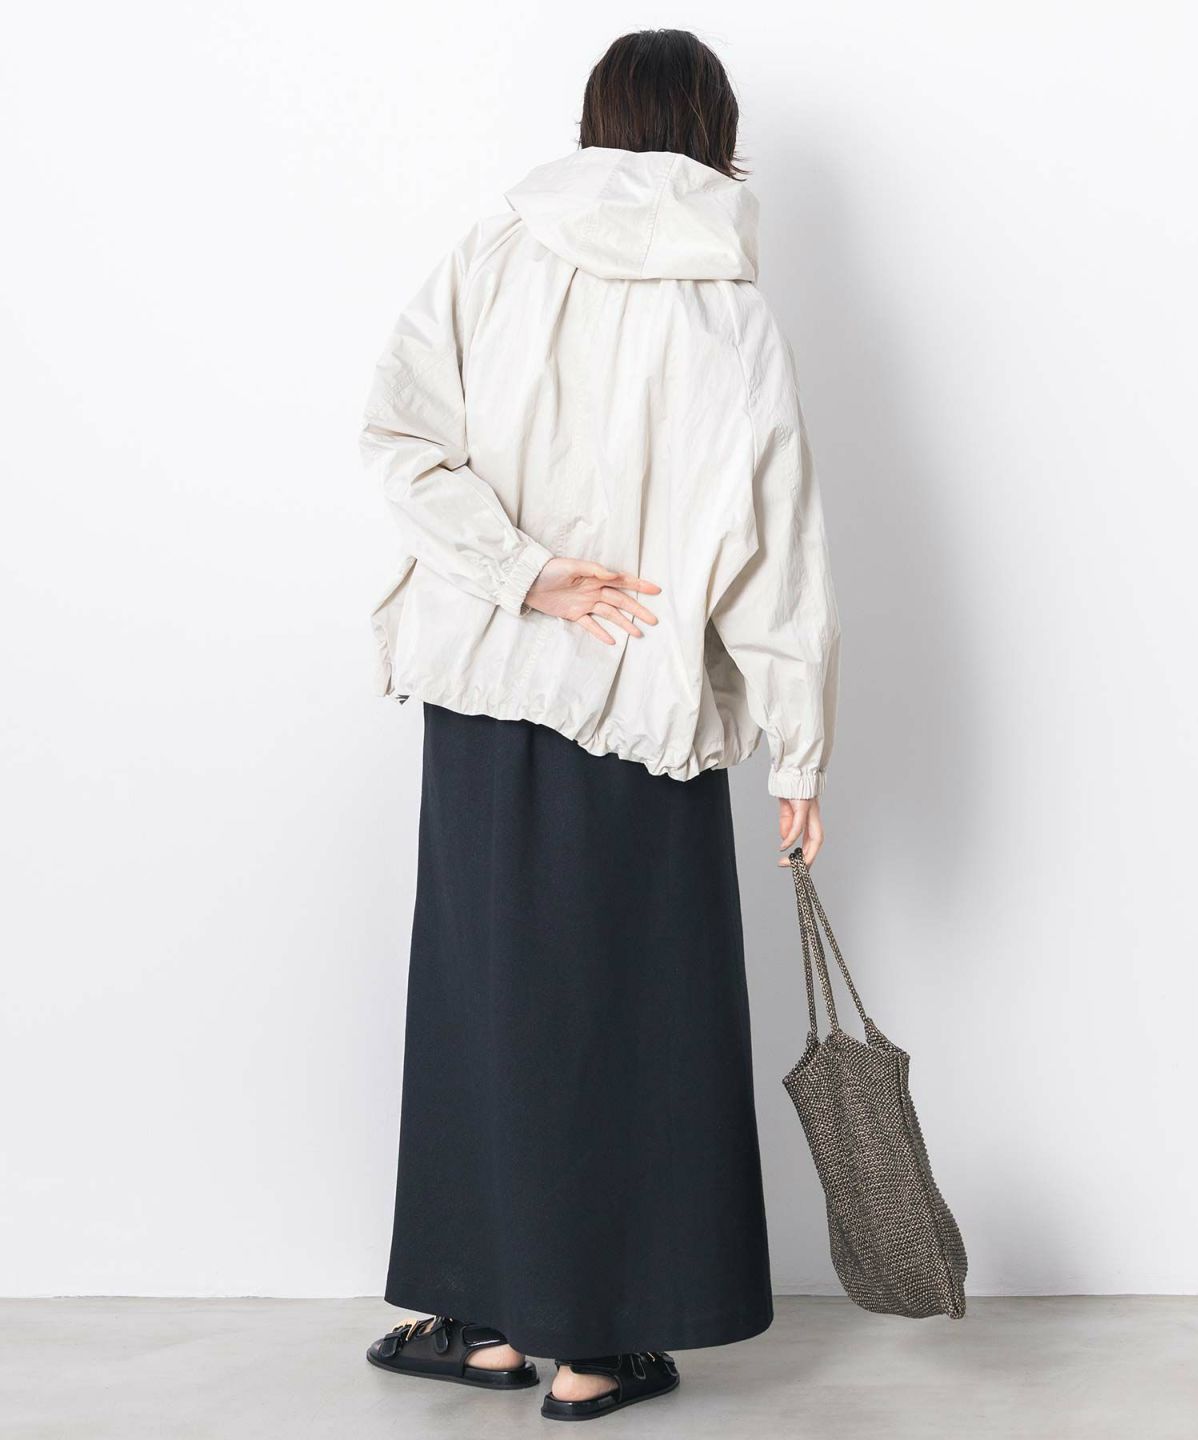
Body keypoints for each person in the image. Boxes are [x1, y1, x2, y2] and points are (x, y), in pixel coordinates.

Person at [359, 27, 840, 1424]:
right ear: (715, 133)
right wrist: (800, 749)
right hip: (640, 701)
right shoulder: (727, 309)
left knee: (485, 999)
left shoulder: (495, 250)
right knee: (635, 1014)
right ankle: (590, 1348)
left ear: (596, 121)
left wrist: (519, 575)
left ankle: (487, 1319)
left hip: (485, 688)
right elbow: (777, 549)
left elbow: (398, 437)